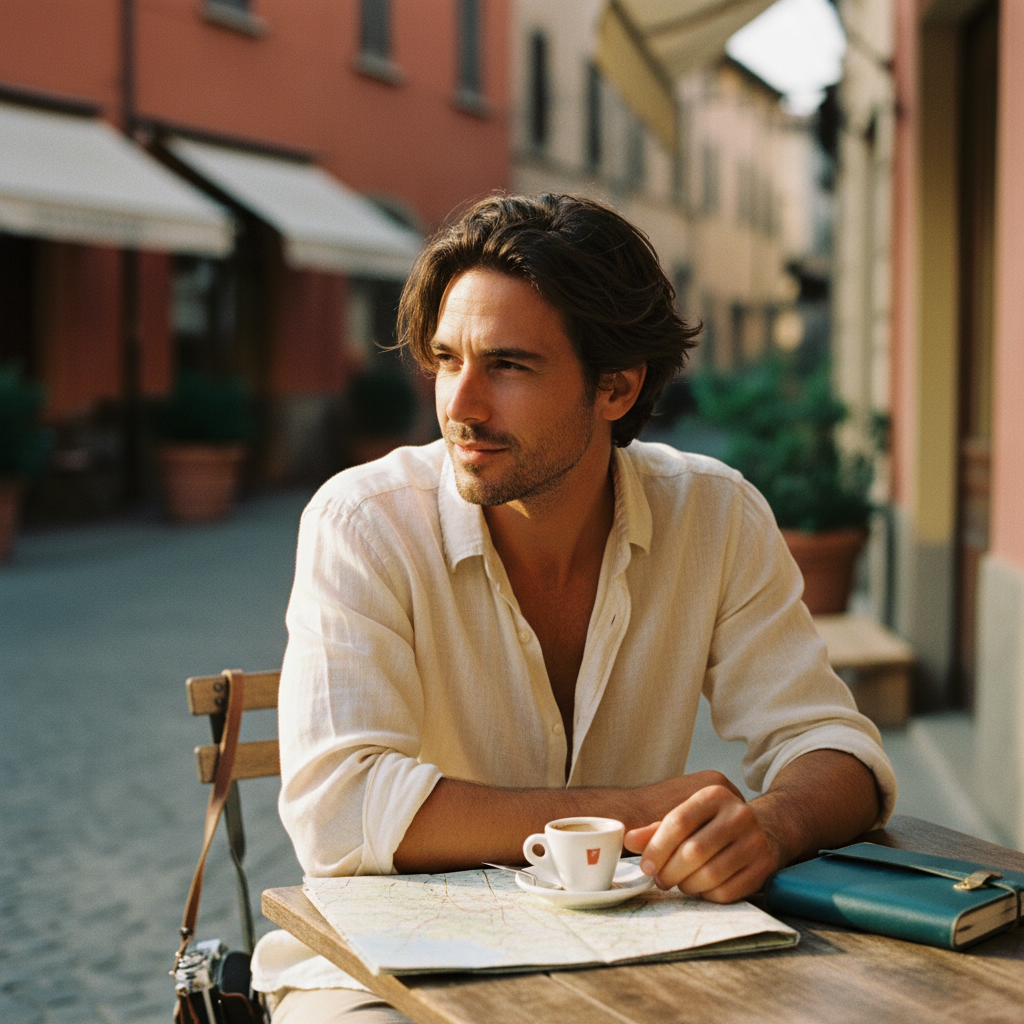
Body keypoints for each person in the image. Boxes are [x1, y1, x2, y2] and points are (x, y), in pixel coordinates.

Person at [253, 194, 896, 1022]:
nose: (462, 404)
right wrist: (642, 809)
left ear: (617, 387)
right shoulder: (364, 523)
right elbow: (340, 811)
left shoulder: (715, 514)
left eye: (509, 366)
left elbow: (832, 745)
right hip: (384, 975)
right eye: (448, 360)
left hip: (628, 955)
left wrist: (771, 825)